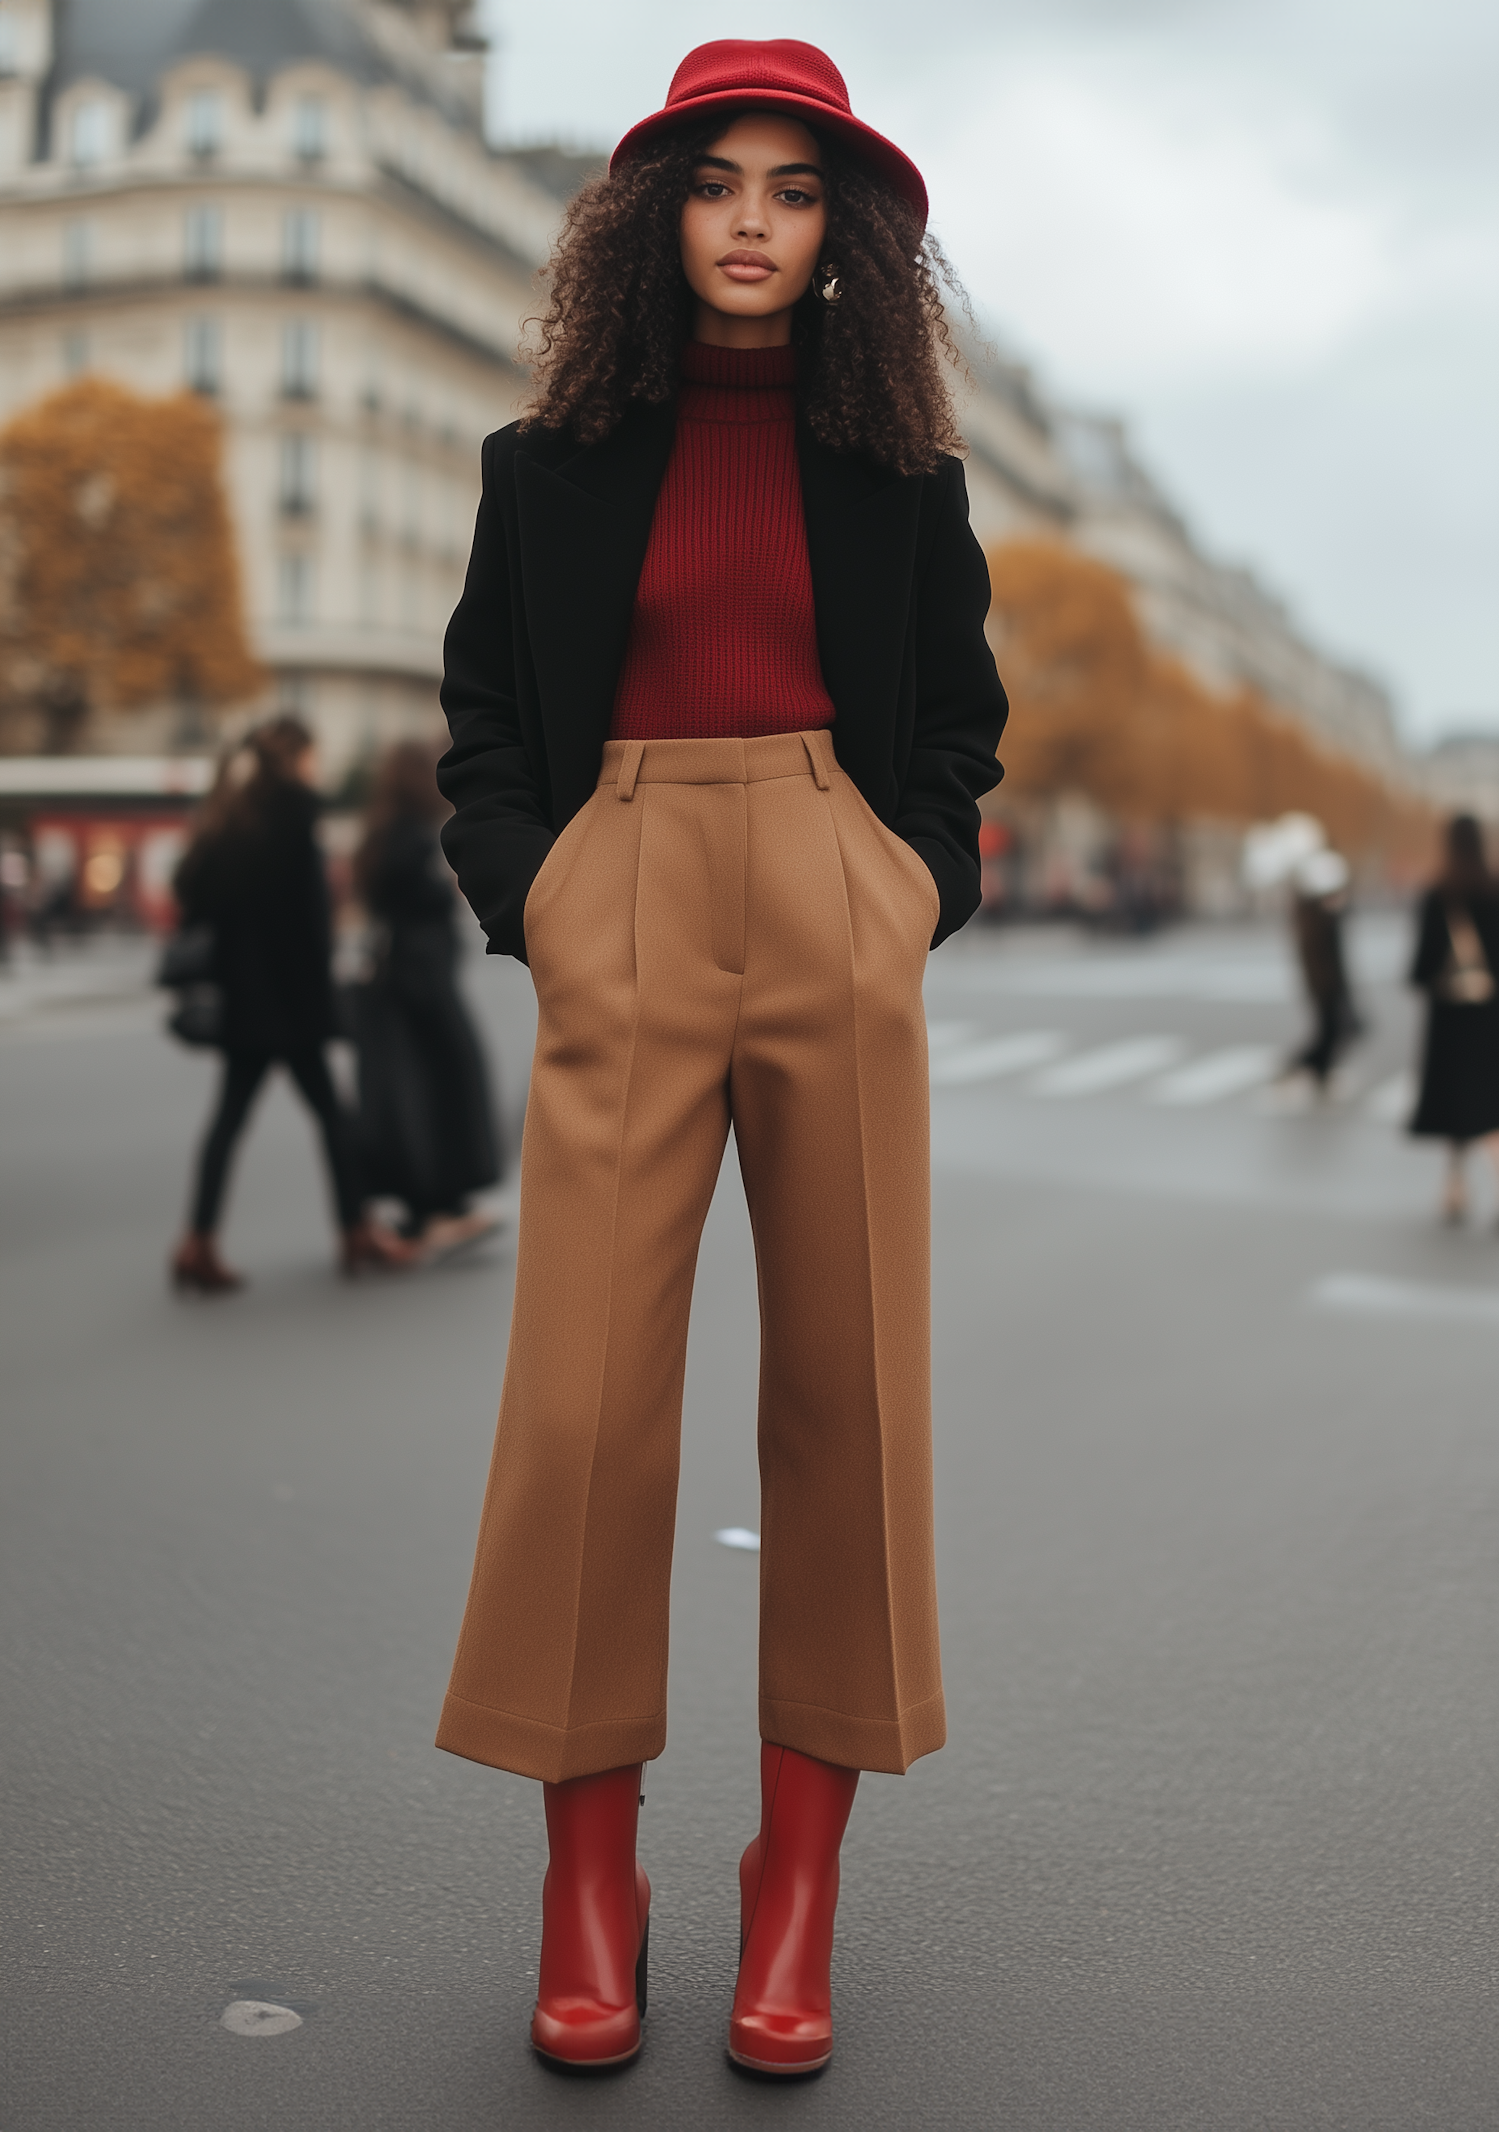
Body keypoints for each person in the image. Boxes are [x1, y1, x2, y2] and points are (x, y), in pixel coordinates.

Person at [433, 39, 1007, 2077]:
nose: (751, 221)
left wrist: (906, 886)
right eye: (713, 181)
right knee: (584, 1411)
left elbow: (958, 730)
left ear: (844, 233)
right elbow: (483, 728)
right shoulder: (544, 467)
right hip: (624, 884)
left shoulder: (909, 480)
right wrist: (544, 895)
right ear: (651, 216)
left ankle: (799, 1881)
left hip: (837, 892)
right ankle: (590, 1886)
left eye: (792, 187)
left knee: (851, 1396)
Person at [169, 716, 410, 1292]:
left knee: (229, 1121)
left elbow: (192, 898)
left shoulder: (228, 818)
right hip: (292, 1001)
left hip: (243, 1000)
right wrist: (326, 1001)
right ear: (296, 758)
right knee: (332, 1117)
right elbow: (310, 922)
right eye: (312, 757)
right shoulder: (297, 814)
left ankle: (197, 1241)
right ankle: (356, 1230)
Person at [350, 740, 504, 1259]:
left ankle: (429, 1208)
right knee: (448, 1084)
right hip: (425, 983)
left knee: (412, 1093)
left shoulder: (380, 835)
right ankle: (441, 1207)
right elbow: (427, 905)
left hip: (400, 982)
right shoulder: (413, 841)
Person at [1409, 814, 1499, 1223]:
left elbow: (1420, 967)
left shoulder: (1438, 894)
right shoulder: (1495, 892)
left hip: (1450, 1018)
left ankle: (1456, 1188)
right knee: (1491, 1104)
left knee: (1455, 1105)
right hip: (1492, 1018)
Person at [1284, 848, 1361, 1093]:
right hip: (1325, 984)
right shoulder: (1315, 915)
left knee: (1331, 1031)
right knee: (1331, 1032)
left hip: (1326, 983)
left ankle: (1317, 1071)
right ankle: (1303, 1067)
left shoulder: (1312, 913)